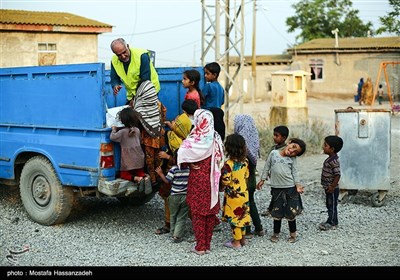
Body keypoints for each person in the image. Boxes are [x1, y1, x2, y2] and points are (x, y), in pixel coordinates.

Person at [177, 109, 225, 255]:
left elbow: (181, 153)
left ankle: (200, 246)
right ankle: (207, 245)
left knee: (198, 213)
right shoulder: (216, 137)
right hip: (212, 180)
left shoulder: (195, 137)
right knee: (210, 213)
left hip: (197, 180)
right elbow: (221, 158)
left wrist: (190, 162)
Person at [257, 138, 306, 244]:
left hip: (290, 188)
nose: (292, 151)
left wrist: (297, 185)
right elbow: (267, 166)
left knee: (291, 212)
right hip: (276, 189)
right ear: (289, 142)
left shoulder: (292, 160)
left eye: (295, 152)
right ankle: (276, 233)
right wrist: (262, 179)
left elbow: (295, 172)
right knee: (276, 211)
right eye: (293, 147)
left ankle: (293, 234)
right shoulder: (273, 153)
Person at [233, 114, 265, 238]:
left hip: (242, 181)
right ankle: (259, 228)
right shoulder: (253, 140)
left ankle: (246, 230)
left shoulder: (240, 145)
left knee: (244, 203)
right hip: (251, 179)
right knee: (251, 202)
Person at [220, 133, 251, 249]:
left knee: (234, 219)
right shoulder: (245, 162)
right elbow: (246, 175)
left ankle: (236, 242)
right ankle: (242, 239)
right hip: (244, 193)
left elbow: (226, 181)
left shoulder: (228, 164)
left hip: (233, 196)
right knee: (242, 216)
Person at [110, 38, 160, 105]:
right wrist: (115, 85)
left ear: (127, 46)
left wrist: (135, 99)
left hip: (148, 90)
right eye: (119, 55)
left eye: (124, 52)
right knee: (129, 114)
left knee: (145, 113)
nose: (123, 56)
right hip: (132, 94)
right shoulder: (114, 60)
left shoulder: (142, 55)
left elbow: (145, 80)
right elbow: (114, 77)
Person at [155, 159, 190, 243]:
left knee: (173, 215)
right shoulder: (189, 169)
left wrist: (160, 173)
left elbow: (167, 181)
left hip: (174, 196)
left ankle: (173, 232)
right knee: (181, 216)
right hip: (185, 196)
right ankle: (177, 236)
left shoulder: (174, 169)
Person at [110, 107, 148, 184]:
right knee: (139, 172)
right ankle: (144, 177)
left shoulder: (122, 132)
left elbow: (112, 137)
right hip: (139, 159)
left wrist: (114, 129)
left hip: (128, 160)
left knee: (124, 174)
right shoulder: (137, 130)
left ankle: (136, 178)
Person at [260, 125, 289, 217]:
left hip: (284, 178)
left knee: (286, 193)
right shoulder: (273, 148)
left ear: (284, 138)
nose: (274, 137)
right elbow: (269, 162)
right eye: (274, 135)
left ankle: (287, 209)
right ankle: (272, 209)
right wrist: (266, 174)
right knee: (275, 193)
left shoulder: (287, 150)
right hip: (274, 177)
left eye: (276, 136)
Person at [319, 135, 343, 231]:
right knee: (329, 204)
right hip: (328, 188)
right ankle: (331, 220)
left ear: (332, 149)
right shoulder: (330, 159)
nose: (323, 147)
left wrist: (332, 186)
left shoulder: (334, 161)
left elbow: (337, 174)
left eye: (325, 145)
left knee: (332, 205)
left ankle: (332, 223)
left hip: (332, 189)